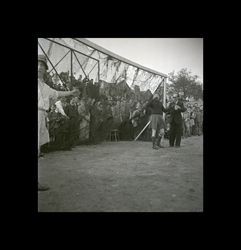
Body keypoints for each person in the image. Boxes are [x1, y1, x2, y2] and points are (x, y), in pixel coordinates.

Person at [38, 54, 79, 191]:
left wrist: (72, 92)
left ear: (45, 69)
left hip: (41, 117)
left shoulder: (45, 86)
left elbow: (57, 94)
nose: (39, 68)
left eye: (42, 66)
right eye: (37, 65)